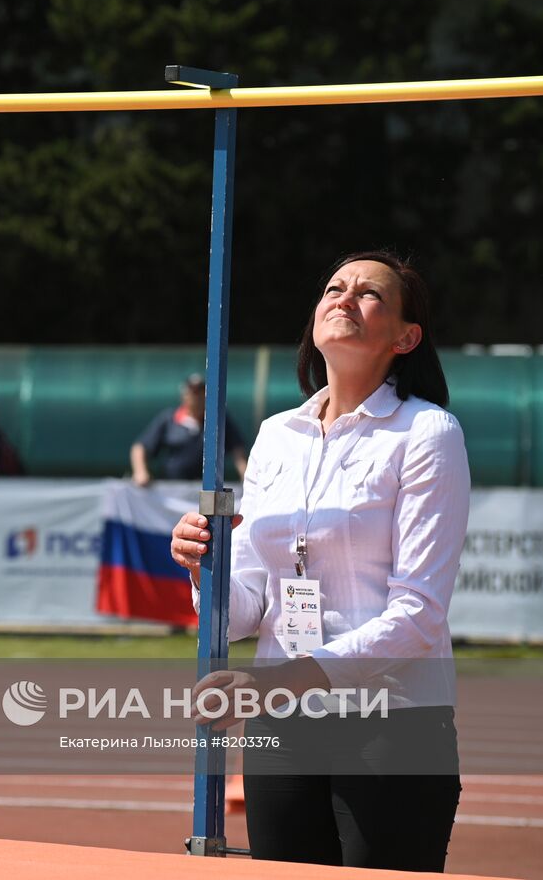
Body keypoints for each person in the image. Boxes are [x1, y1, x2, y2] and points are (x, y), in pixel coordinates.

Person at [170, 250, 469, 871]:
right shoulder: (277, 435)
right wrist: (202, 566)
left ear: (406, 338)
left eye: (369, 294)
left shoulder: (426, 433)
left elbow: (418, 616)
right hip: (283, 723)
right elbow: (244, 611)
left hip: (392, 722)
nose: (345, 298)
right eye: (334, 288)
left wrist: (277, 682)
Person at [130, 374, 247, 485]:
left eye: (201, 393)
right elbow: (140, 448)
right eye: (193, 393)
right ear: (183, 396)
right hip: (172, 488)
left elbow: (238, 451)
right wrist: (140, 472)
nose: (197, 398)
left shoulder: (219, 420)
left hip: (207, 489)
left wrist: (245, 477)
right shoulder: (169, 418)